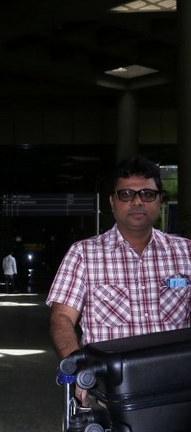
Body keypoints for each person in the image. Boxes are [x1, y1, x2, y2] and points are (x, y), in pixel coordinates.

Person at [47, 154, 191, 360]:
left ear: (160, 200)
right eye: (126, 194)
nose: (137, 201)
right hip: (110, 385)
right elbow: (62, 317)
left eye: (148, 194)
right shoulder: (83, 255)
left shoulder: (186, 253)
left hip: (174, 383)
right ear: (112, 202)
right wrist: (76, 364)